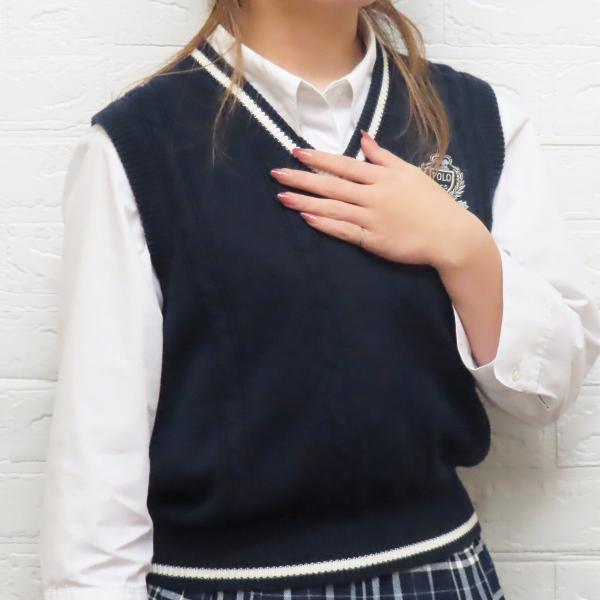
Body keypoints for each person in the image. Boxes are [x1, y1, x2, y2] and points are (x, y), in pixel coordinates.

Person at [40, 1, 600, 599]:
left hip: (438, 573)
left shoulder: (480, 119)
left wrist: (462, 247)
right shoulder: (138, 145)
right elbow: (97, 467)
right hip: (222, 583)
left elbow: (547, 390)